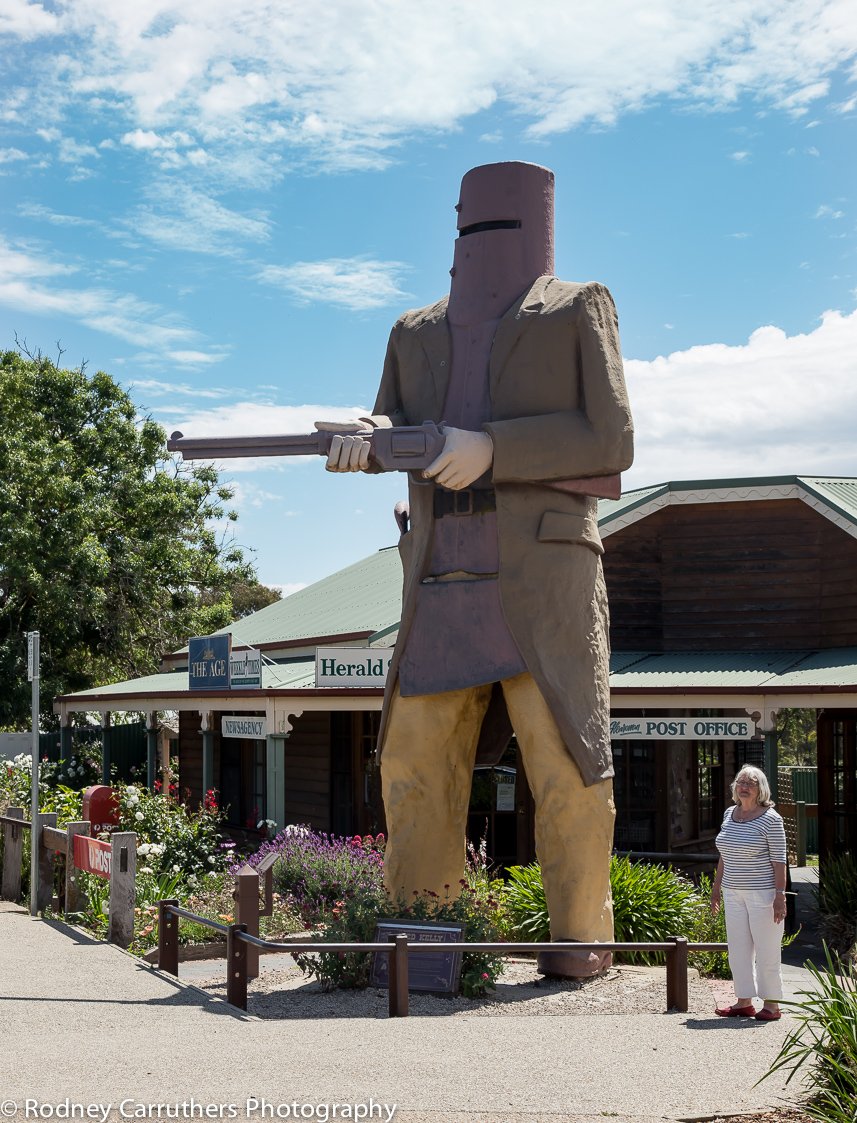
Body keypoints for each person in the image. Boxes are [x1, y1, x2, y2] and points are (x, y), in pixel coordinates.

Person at [321, 160, 634, 977]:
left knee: (567, 767)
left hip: (541, 581)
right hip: (437, 581)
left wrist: (493, 449)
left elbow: (611, 441)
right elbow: (392, 420)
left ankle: (578, 949)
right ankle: (419, 952)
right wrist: (366, 433)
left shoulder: (577, 307)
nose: (478, 240)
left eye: (491, 222)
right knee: (412, 765)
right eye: (469, 224)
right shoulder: (412, 331)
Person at [712, 765, 788, 1020]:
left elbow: (780, 862)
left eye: (751, 783)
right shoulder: (729, 813)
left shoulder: (771, 819)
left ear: (761, 789)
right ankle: (743, 1001)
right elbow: (725, 855)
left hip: (763, 895)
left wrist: (780, 896)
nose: (744, 786)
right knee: (738, 949)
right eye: (740, 782)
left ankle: (772, 1005)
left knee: (767, 950)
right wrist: (716, 888)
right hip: (732, 893)